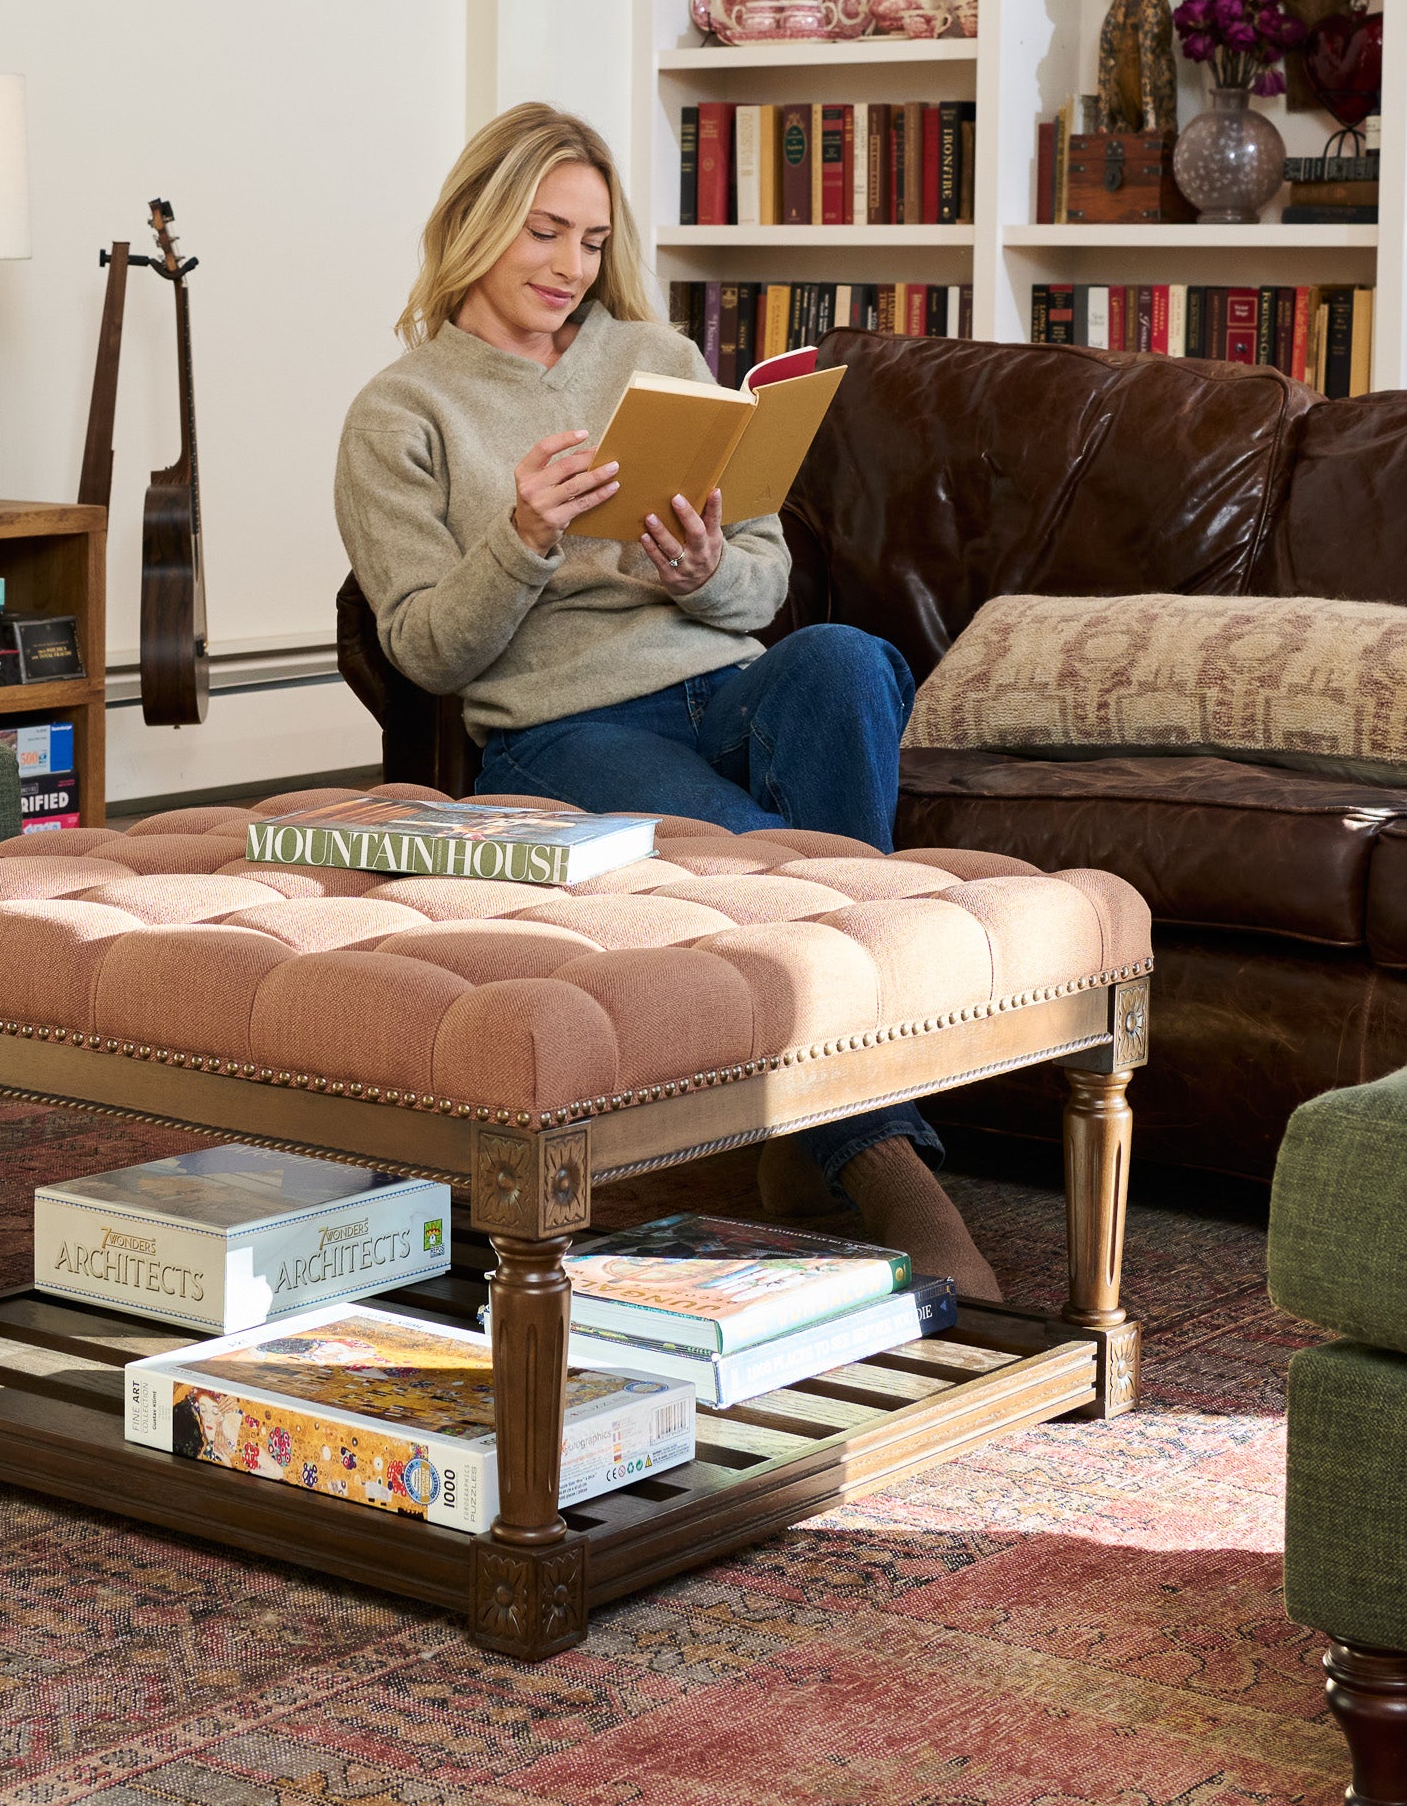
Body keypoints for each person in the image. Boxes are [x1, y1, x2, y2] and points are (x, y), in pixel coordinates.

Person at [334, 102, 998, 1299]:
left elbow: (762, 587)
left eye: (589, 240)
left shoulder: (661, 361)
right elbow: (428, 650)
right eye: (541, 232)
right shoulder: (403, 413)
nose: (567, 266)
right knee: (761, 865)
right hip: (559, 732)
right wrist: (527, 534)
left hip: (720, 683)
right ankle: (877, 1154)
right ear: (473, 224)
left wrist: (702, 571)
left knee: (844, 658)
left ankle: (813, 1128)